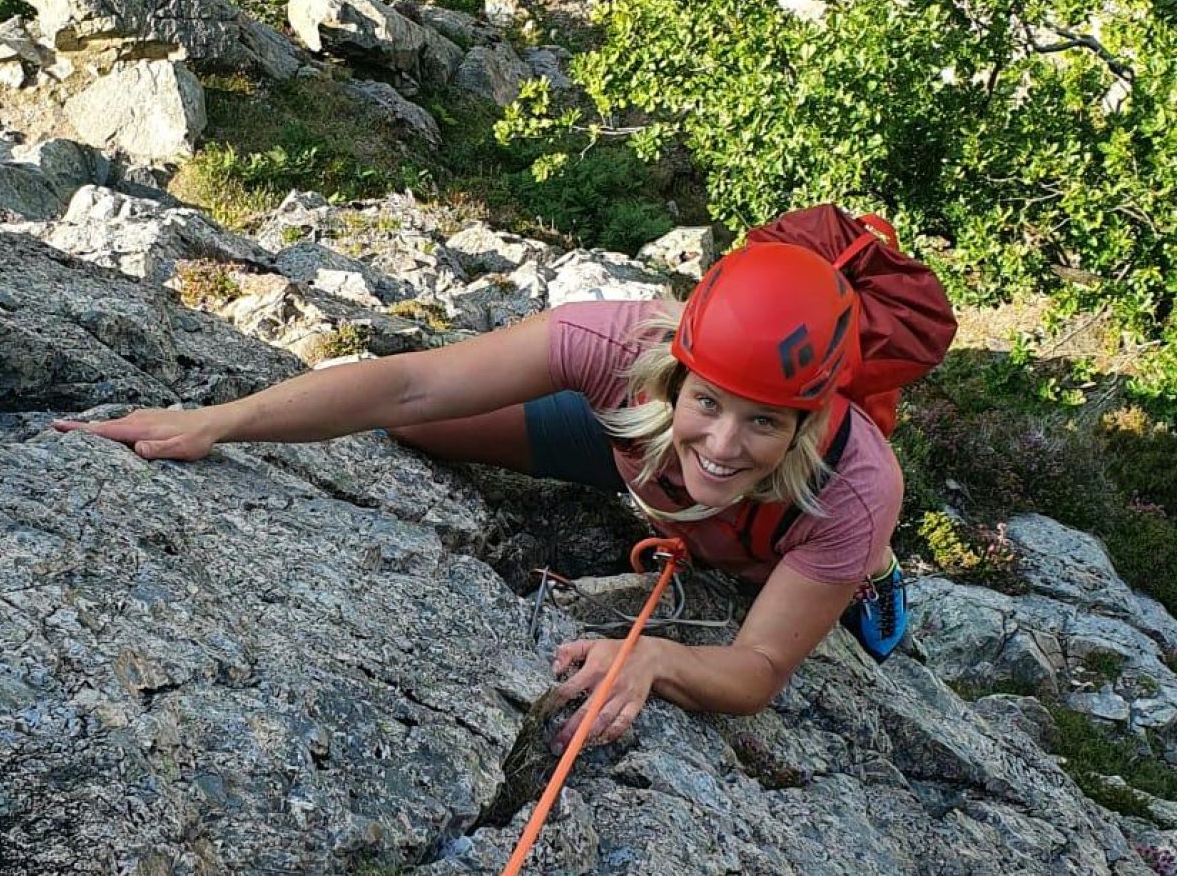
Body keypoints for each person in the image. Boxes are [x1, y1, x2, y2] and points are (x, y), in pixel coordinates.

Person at [53, 242, 905, 753]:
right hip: (637, 456)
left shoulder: (852, 489)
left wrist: (658, 657)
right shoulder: (619, 343)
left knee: (795, 551)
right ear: (675, 371)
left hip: (770, 534)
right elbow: (412, 387)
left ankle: (866, 571)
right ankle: (667, 472)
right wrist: (217, 422)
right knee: (428, 431)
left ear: (809, 418)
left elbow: (756, 669)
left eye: (763, 421)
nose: (724, 442)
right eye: (709, 401)